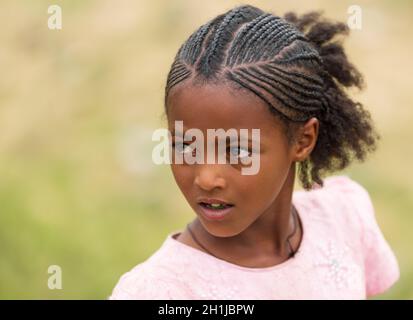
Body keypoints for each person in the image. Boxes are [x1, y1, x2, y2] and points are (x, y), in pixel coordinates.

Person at [109, 4, 399, 299]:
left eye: (236, 150)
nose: (207, 177)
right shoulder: (161, 292)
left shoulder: (343, 219)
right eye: (185, 146)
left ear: (302, 140)